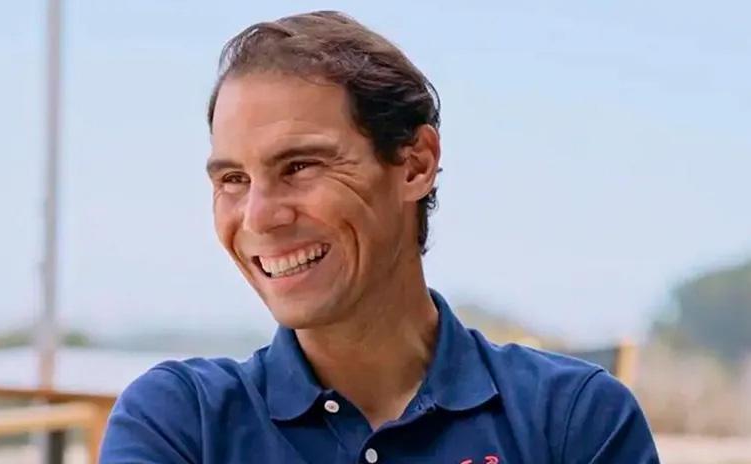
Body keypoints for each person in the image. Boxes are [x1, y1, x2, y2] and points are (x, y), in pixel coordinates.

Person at [100, 10, 659, 463]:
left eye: (300, 166)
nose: (258, 217)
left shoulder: (576, 420)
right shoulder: (179, 423)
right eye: (233, 180)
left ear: (415, 164)